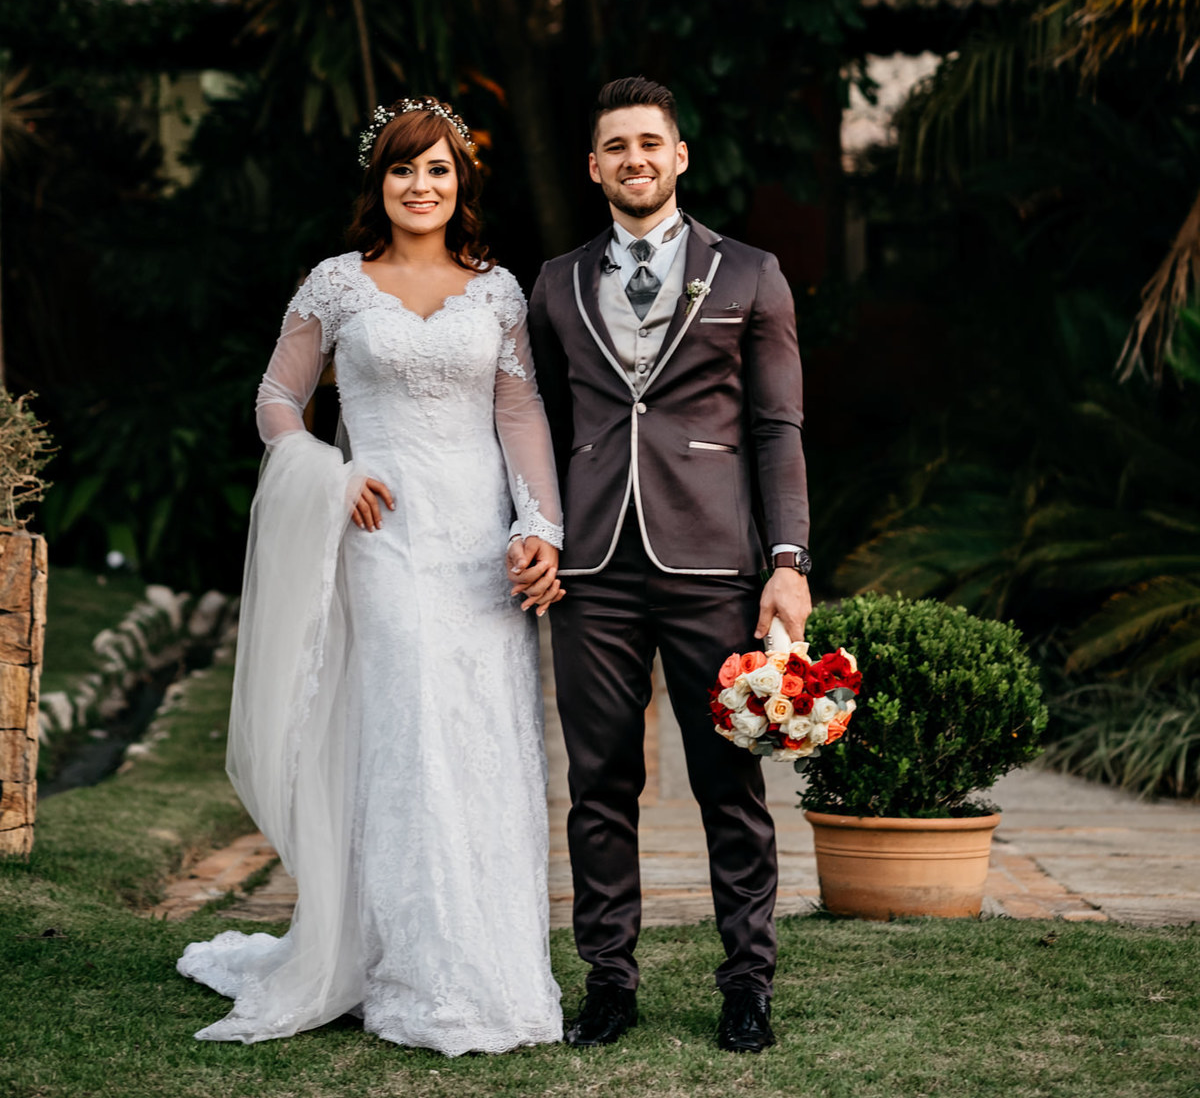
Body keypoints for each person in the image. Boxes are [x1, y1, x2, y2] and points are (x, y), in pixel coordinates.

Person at [179, 98, 565, 1055]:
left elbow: (519, 415)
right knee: (406, 729)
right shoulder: (337, 286)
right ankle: (404, 964)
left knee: (481, 728)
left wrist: (541, 526)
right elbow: (277, 398)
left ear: (462, 182)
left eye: (438, 169)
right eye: (403, 169)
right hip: (383, 539)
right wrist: (330, 471)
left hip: (479, 544)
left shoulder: (499, 292)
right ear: (379, 184)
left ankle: (493, 962)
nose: (421, 185)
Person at [512, 75, 811, 1055]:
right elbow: (532, 424)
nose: (635, 159)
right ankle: (609, 979)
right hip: (592, 567)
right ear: (594, 167)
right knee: (599, 780)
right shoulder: (553, 284)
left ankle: (748, 984)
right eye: (616, 147)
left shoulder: (750, 273)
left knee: (729, 781)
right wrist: (537, 527)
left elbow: (778, 429)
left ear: (679, 156)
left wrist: (788, 559)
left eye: (651, 143)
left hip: (714, 562)